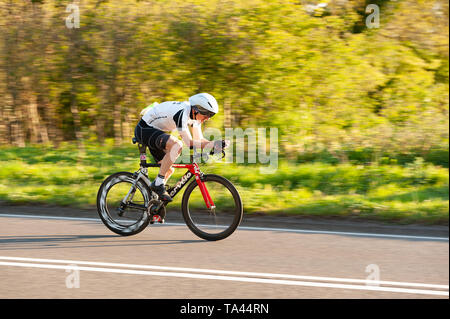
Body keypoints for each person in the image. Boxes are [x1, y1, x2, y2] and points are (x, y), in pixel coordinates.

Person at [134, 93, 228, 202]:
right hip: (144, 129)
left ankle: (153, 202)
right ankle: (158, 184)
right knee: (177, 145)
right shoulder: (182, 113)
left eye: (211, 115)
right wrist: (213, 144)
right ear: (196, 110)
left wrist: (215, 145)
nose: (207, 118)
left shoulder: (195, 117)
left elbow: (199, 140)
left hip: (156, 132)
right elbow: (190, 143)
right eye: (207, 114)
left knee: (168, 169)